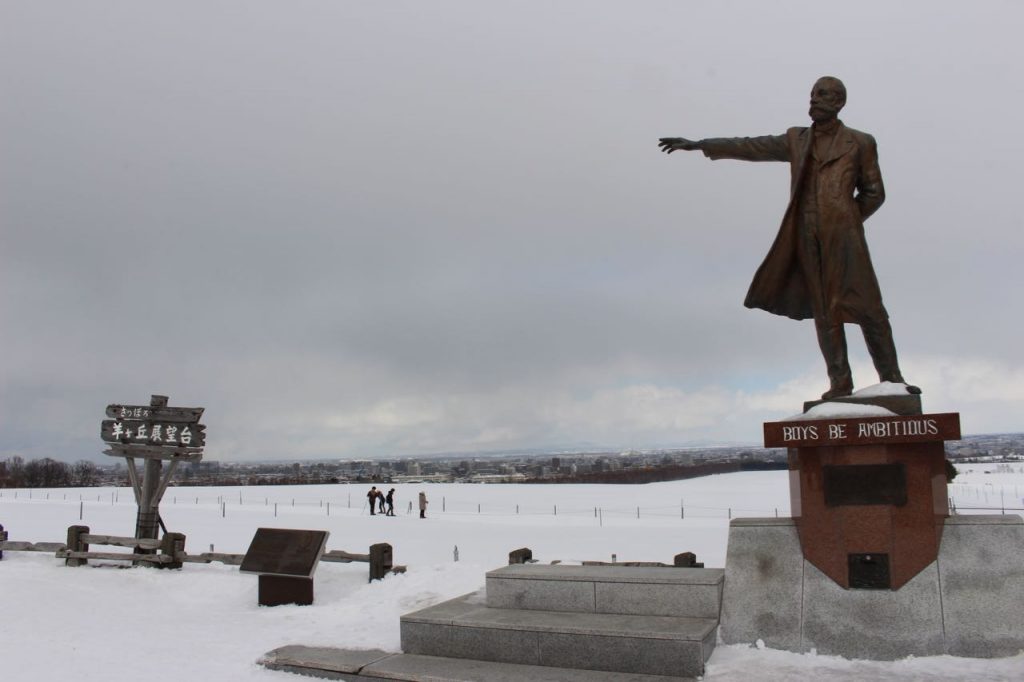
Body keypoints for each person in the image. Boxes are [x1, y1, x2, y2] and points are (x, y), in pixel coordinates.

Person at [658, 76, 918, 400]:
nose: (814, 100)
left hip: (845, 238)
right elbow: (752, 146)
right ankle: (840, 383)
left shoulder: (861, 142)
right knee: (825, 311)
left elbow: (874, 193)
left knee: (869, 307)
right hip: (806, 236)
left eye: (822, 94)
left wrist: (846, 219)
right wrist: (700, 144)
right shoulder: (797, 139)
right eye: (812, 94)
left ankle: (892, 379)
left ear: (839, 102)